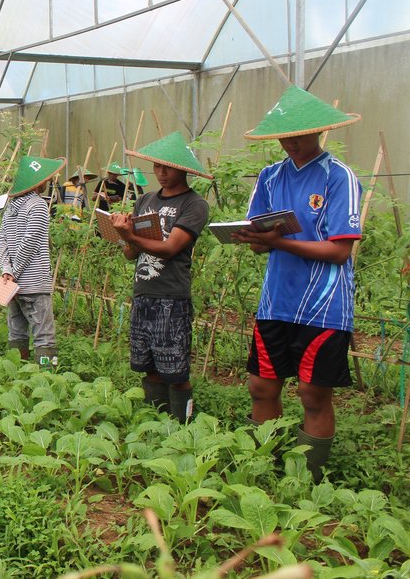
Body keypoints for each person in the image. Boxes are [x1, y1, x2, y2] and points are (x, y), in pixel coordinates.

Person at [233, 86, 363, 483]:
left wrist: (278, 242)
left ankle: (307, 479)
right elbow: (261, 241)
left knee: (313, 393)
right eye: (284, 137)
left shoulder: (338, 177)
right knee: (261, 386)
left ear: (319, 132)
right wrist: (256, 240)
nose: (290, 143)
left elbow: (341, 251)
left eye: (299, 136)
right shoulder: (270, 177)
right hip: (276, 301)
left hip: (323, 307)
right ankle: (264, 468)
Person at [110, 133, 212, 422]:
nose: (162, 173)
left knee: (175, 370)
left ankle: (183, 425)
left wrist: (130, 236)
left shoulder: (194, 205)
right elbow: (131, 254)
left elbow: (170, 248)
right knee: (149, 366)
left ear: (184, 170)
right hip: (144, 293)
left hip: (171, 297)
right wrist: (123, 237)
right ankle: (155, 423)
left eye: (168, 167)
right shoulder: (145, 200)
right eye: (157, 167)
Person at [0, 156, 65, 366]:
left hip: (12, 286)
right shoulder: (38, 206)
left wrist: (7, 271)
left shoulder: (11, 208)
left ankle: (17, 373)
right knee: (44, 335)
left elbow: (1, 242)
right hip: (34, 283)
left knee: (17, 331)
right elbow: (31, 241)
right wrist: (15, 270)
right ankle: (47, 377)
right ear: (37, 183)